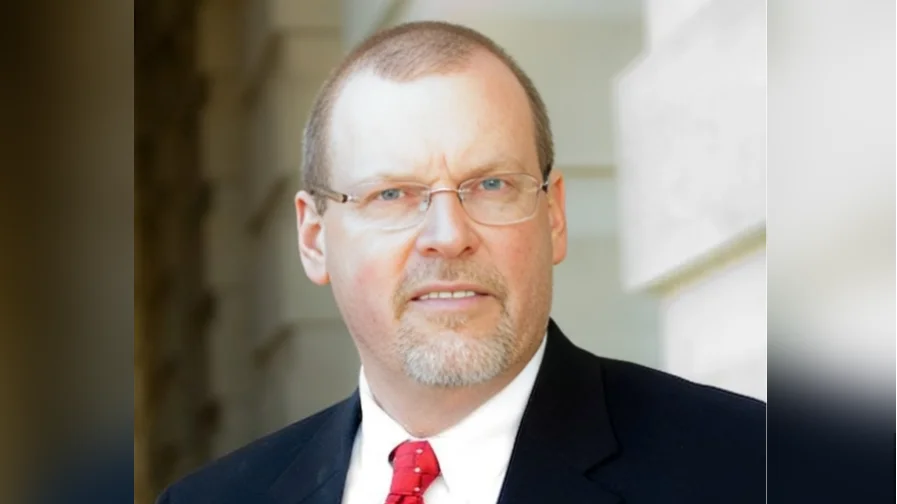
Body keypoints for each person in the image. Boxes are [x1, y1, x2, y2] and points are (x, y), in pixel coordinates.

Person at [157, 20, 765, 504]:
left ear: (553, 216)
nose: (448, 237)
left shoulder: (752, 469)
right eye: (392, 194)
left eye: (492, 185)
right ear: (314, 238)